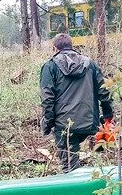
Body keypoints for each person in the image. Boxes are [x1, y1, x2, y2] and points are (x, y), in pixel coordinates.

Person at [39, 33, 113, 172]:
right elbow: (104, 92)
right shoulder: (90, 64)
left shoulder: (50, 67)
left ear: (55, 48)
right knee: (100, 163)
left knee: (70, 169)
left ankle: (76, 190)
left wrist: (47, 125)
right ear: (71, 46)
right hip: (91, 123)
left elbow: (47, 99)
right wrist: (108, 117)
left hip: (65, 126)